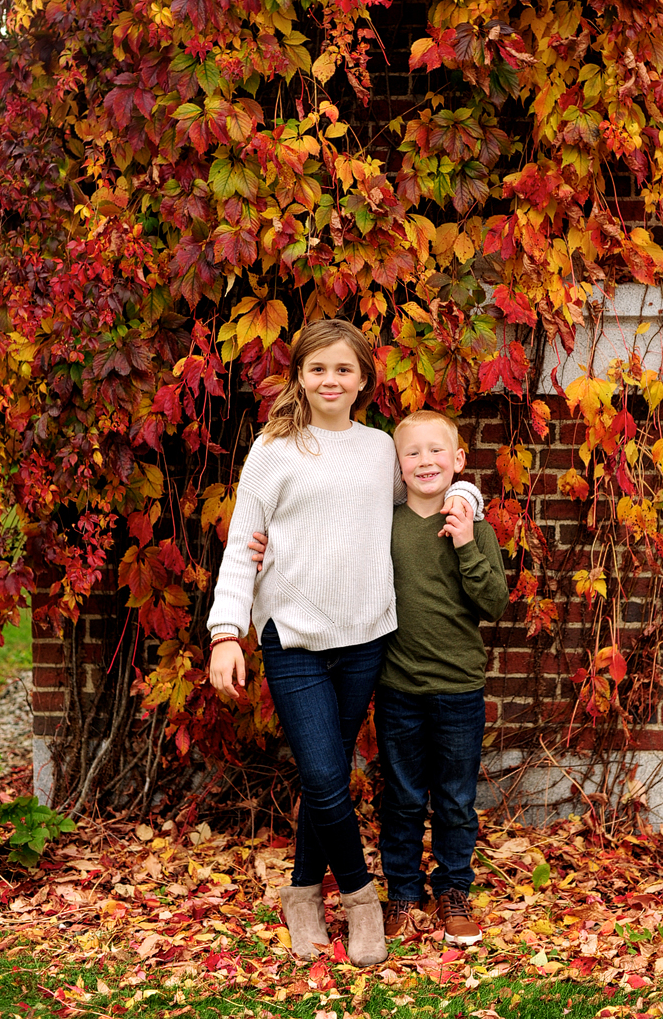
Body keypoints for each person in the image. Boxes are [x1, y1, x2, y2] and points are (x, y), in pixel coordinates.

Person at [206, 319, 482, 967]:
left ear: (363, 379)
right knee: (327, 774)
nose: (330, 380)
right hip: (293, 637)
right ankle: (358, 895)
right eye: (317, 368)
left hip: (364, 638)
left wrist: (465, 494)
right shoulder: (274, 450)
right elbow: (243, 547)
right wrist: (226, 632)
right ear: (300, 375)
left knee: (327, 775)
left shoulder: (380, 449)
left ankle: (302, 893)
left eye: (344, 369)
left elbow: (431, 484)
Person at [377, 410, 508, 947]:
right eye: (413, 452)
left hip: (459, 688)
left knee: (454, 799)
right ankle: (404, 894)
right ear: (397, 465)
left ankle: (454, 890)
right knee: (402, 798)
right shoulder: (384, 524)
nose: (425, 460)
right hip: (398, 687)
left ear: (458, 461)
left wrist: (465, 543)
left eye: (438, 451)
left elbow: (494, 603)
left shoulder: (475, 528)